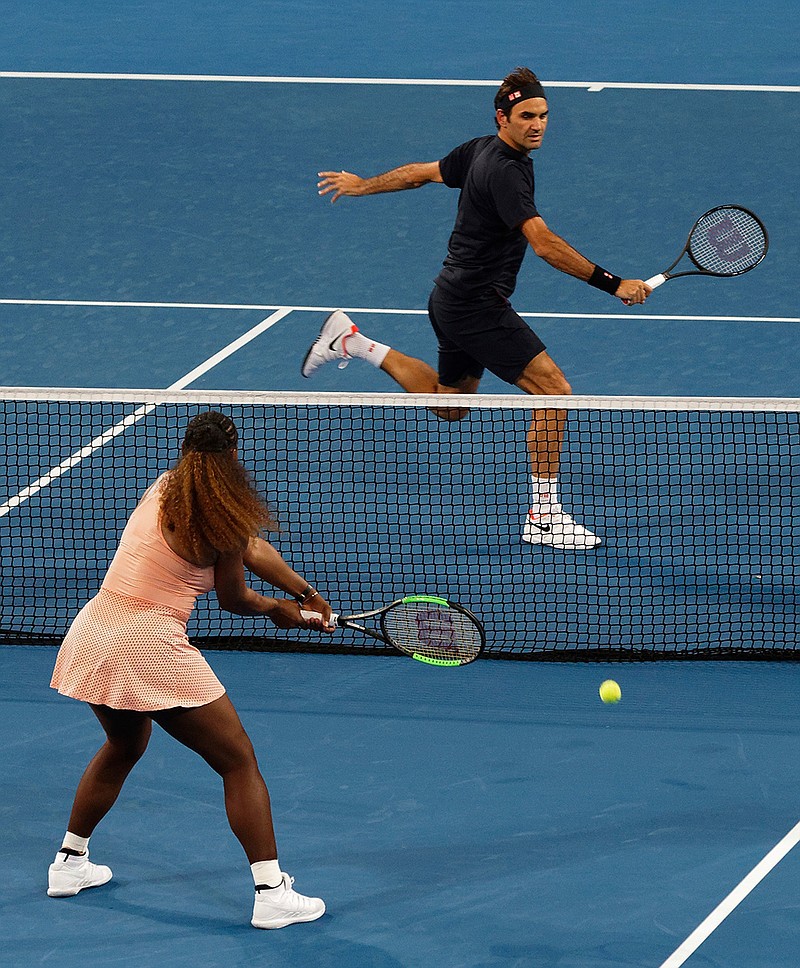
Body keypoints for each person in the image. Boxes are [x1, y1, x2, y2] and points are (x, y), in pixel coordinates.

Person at [307, 66, 651, 550]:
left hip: (449, 298)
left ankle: (353, 342)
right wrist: (614, 285)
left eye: (544, 115)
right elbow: (545, 245)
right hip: (475, 306)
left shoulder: (479, 150)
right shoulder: (506, 173)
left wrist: (363, 185)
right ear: (502, 118)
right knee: (554, 391)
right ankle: (544, 516)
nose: (538, 124)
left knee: (450, 405)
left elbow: (418, 176)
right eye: (527, 115)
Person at [47, 410, 330, 930]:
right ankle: (271, 893)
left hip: (93, 631)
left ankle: (69, 863)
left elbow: (249, 545)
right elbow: (234, 598)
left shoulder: (166, 486)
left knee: (125, 745)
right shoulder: (217, 518)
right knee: (238, 761)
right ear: (234, 455)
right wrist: (278, 609)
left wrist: (305, 592)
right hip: (146, 644)